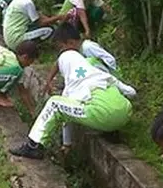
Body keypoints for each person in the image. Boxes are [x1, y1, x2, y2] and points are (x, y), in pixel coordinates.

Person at [9, 28, 135, 159]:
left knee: (54, 103)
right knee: (103, 105)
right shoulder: (101, 74)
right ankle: (112, 129)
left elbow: (65, 116)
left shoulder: (72, 86)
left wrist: (67, 143)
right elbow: (131, 92)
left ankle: (33, 146)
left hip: (103, 116)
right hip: (125, 113)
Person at [2, 0, 70, 50]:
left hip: (10, 37)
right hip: (16, 39)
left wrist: (56, 20)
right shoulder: (27, 2)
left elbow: (39, 15)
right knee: (49, 30)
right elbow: (40, 23)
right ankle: (29, 48)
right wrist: (59, 17)